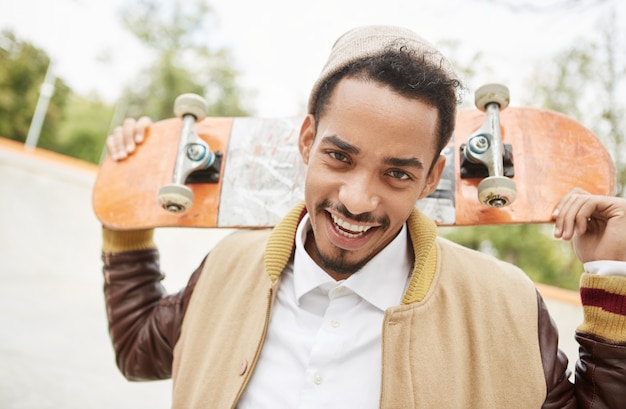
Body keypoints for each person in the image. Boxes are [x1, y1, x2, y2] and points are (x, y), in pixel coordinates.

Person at [102, 25, 626, 408]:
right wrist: (125, 213)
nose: (357, 200)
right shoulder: (229, 267)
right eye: (340, 157)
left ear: (430, 177)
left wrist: (613, 276)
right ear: (307, 141)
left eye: (396, 174)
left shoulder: (504, 305)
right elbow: (138, 352)